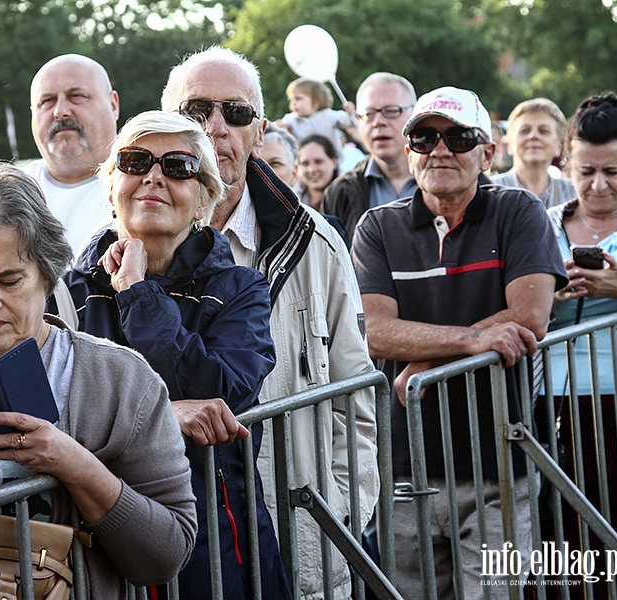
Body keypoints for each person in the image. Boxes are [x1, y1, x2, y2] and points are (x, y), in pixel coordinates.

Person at [0, 162, 197, 598]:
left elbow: (167, 552)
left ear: (47, 276)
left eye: (9, 280)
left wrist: (74, 464)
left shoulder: (120, 379)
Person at [162, 47, 379, 600]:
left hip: (299, 528)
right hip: (174, 541)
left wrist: (340, 518)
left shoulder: (318, 243)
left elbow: (355, 397)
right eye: (194, 111)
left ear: (259, 132)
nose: (214, 128)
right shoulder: (119, 252)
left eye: (234, 113)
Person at [47, 109, 284, 599]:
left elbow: (221, 393)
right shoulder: (68, 292)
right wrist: (162, 416)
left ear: (203, 199)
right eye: (135, 162)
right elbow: (48, 412)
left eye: (177, 166)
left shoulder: (240, 289)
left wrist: (136, 291)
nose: (153, 176)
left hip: (214, 535)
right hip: (97, 537)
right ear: (112, 187)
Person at [351, 86, 568, 598]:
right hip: (405, 471)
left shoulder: (517, 210)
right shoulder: (378, 226)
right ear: (409, 151)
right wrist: (472, 339)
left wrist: (425, 360)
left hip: (499, 465)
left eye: (459, 137)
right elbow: (374, 331)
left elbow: (530, 316)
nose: (440, 149)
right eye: (424, 137)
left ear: (489, 152)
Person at [544, 92, 617, 597]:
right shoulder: (540, 224)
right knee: (564, 537)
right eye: (585, 171)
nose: (598, 185)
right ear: (566, 162)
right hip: (554, 402)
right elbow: (514, 302)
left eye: (612, 172)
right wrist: (550, 297)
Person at [23, 54, 120, 253]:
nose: (60, 111)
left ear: (113, 105)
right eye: (47, 101)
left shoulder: (146, 184)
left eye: (76, 96)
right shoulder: (12, 194)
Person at [322, 72, 419, 243]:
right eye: (368, 114)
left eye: (391, 111)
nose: (378, 122)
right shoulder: (341, 191)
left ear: (415, 115)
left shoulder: (447, 178)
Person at [492, 98, 576, 208]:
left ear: (558, 146)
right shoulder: (490, 192)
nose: (533, 136)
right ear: (509, 145)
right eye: (525, 130)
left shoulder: (574, 193)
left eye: (543, 131)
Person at [278, 77, 359, 166]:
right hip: (306, 165)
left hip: (333, 165)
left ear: (316, 102)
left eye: (298, 98)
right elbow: (278, 132)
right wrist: (278, 128)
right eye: (291, 100)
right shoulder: (291, 120)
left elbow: (350, 121)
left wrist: (351, 113)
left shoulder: (328, 115)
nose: (293, 103)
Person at [295, 134, 339, 211]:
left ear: (334, 162)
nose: (312, 170)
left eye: (318, 162)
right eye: (305, 163)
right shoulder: (293, 202)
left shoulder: (347, 198)